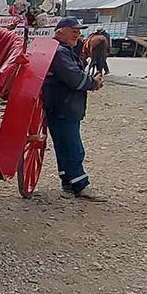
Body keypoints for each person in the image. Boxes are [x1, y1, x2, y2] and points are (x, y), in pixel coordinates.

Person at [42, 17, 106, 201]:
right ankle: (80, 186)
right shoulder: (60, 53)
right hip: (64, 106)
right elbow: (74, 78)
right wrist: (94, 83)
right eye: (73, 31)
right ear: (60, 32)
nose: (77, 35)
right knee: (73, 148)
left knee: (64, 147)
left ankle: (68, 183)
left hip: (60, 105)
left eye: (78, 31)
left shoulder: (60, 50)